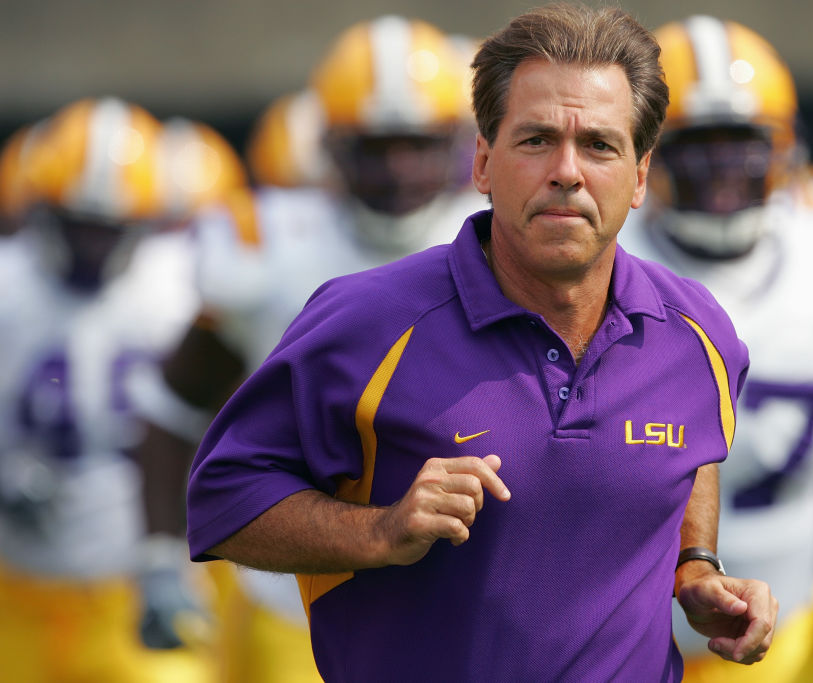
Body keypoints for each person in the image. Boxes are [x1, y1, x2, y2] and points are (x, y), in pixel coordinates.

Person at [185, 4, 777, 681]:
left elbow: (693, 447)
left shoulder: (697, 330)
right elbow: (221, 498)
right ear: (483, 163)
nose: (567, 171)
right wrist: (379, 531)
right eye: (535, 140)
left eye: (599, 146)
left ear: (640, 176)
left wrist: (697, 565)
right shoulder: (367, 321)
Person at [129, 14, 489, 682]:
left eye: (416, 142)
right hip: (301, 602)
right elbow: (174, 403)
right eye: (374, 146)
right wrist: (158, 554)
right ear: (328, 143)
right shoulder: (266, 247)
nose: (397, 167)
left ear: (459, 142)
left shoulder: (507, 236)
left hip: (471, 601)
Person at [617, 15, 813, 681]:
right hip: (611, 641)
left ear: (785, 148)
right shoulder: (595, 266)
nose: (724, 171)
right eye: (699, 146)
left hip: (784, 634)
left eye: (743, 145)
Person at [0, 97, 243, 683]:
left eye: (107, 229)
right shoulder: (10, 285)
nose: (91, 246)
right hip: (14, 586)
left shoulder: (179, 288)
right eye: (75, 224)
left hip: (137, 580)